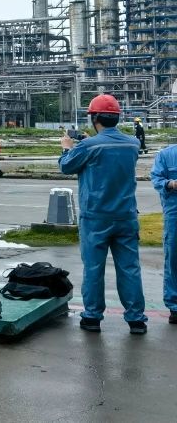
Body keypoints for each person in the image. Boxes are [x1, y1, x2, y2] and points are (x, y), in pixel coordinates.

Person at [60, 93, 147, 333]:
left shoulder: (88, 146)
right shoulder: (132, 144)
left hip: (96, 216)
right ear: (117, 117)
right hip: (126, 215)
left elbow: (66, 167)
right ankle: (136, 320)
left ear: (94, 118)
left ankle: (92, 317)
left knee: (94, 269)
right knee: (130, 268)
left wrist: (67, 148)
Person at [150, 142, 177, 325]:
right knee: (173, 258)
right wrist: (171, 183)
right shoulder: (166, 155)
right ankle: (175, 306)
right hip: (174, 213)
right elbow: (156, 179)